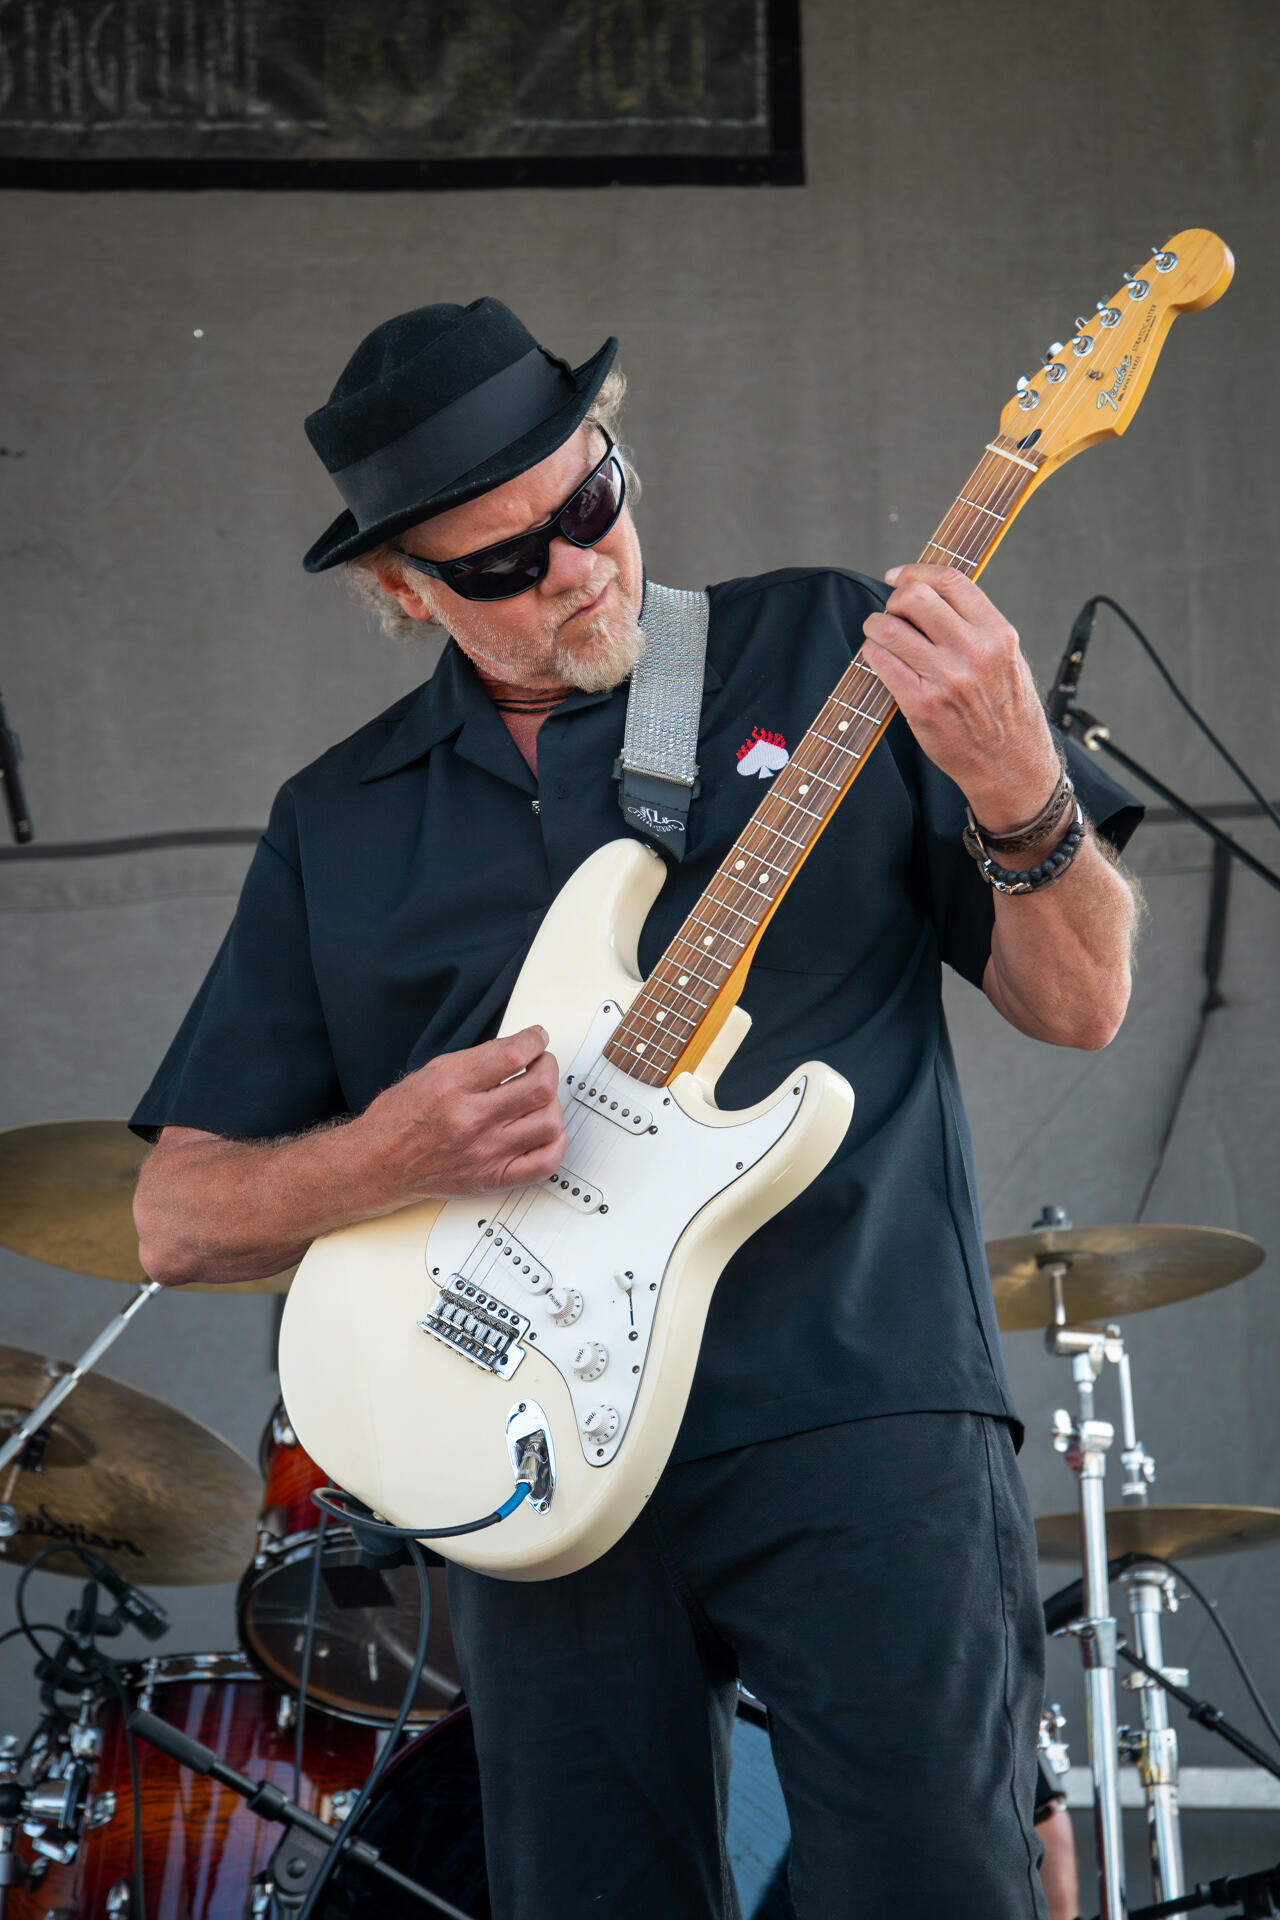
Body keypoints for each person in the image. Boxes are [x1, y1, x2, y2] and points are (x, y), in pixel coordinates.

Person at [131, 297, 1141, 1919]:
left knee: (934, 1887)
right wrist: (395, 1150)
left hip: (855, 1407)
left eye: (590, 505)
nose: (578, 569)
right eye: (500, 567)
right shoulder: (339, 819)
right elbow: (177, 1218)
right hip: (540, 1463)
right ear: (403, 593)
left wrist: (1021, 788)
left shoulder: (822, 646)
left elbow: (1080, 1002)